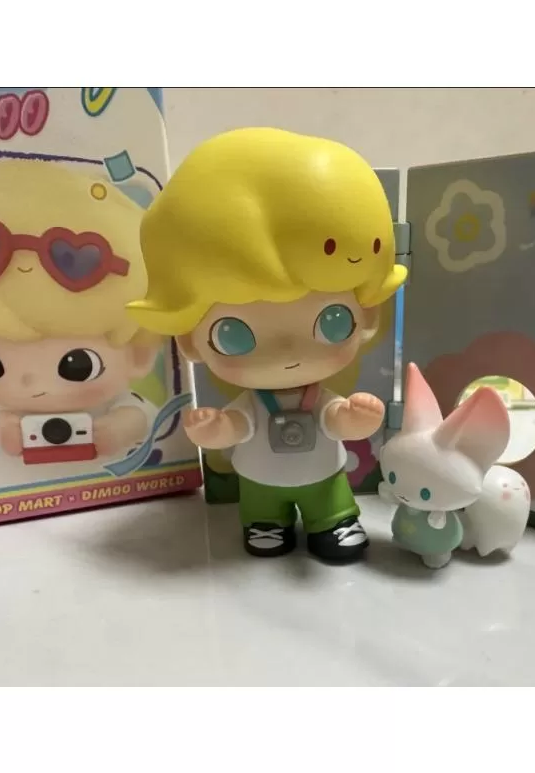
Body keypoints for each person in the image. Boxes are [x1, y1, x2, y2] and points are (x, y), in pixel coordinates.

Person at [127, 127, 408, 563]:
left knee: (329, 499)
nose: (287, 354)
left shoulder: (320, 397)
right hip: (260, 480)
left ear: (367, 317)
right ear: (190, 341)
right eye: (234, 334)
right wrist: (217, 430)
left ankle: (333, 520)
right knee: (261, 505)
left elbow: (335, 419)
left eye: (333, 322)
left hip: (323, 477)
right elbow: (239, 426)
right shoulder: (253, 403)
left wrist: (355, 420)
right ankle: (265, 523)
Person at [0, 160, 160, 460]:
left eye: (77, 365)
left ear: (140, 356)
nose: (29, 384)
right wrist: (6, 429)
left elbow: (142, 416)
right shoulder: (13, 410)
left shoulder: (118, 403)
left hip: (128, 479)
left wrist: (118, 430)